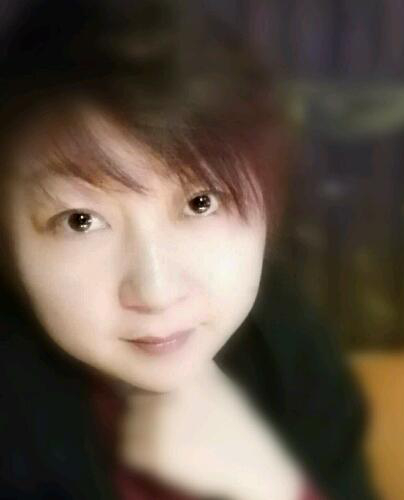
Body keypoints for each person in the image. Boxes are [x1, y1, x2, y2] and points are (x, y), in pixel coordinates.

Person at [0, 1, 377, 499]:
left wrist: (267, 483)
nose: (156, 292)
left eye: (202, 202)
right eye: (80, 221)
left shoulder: (291, 347)